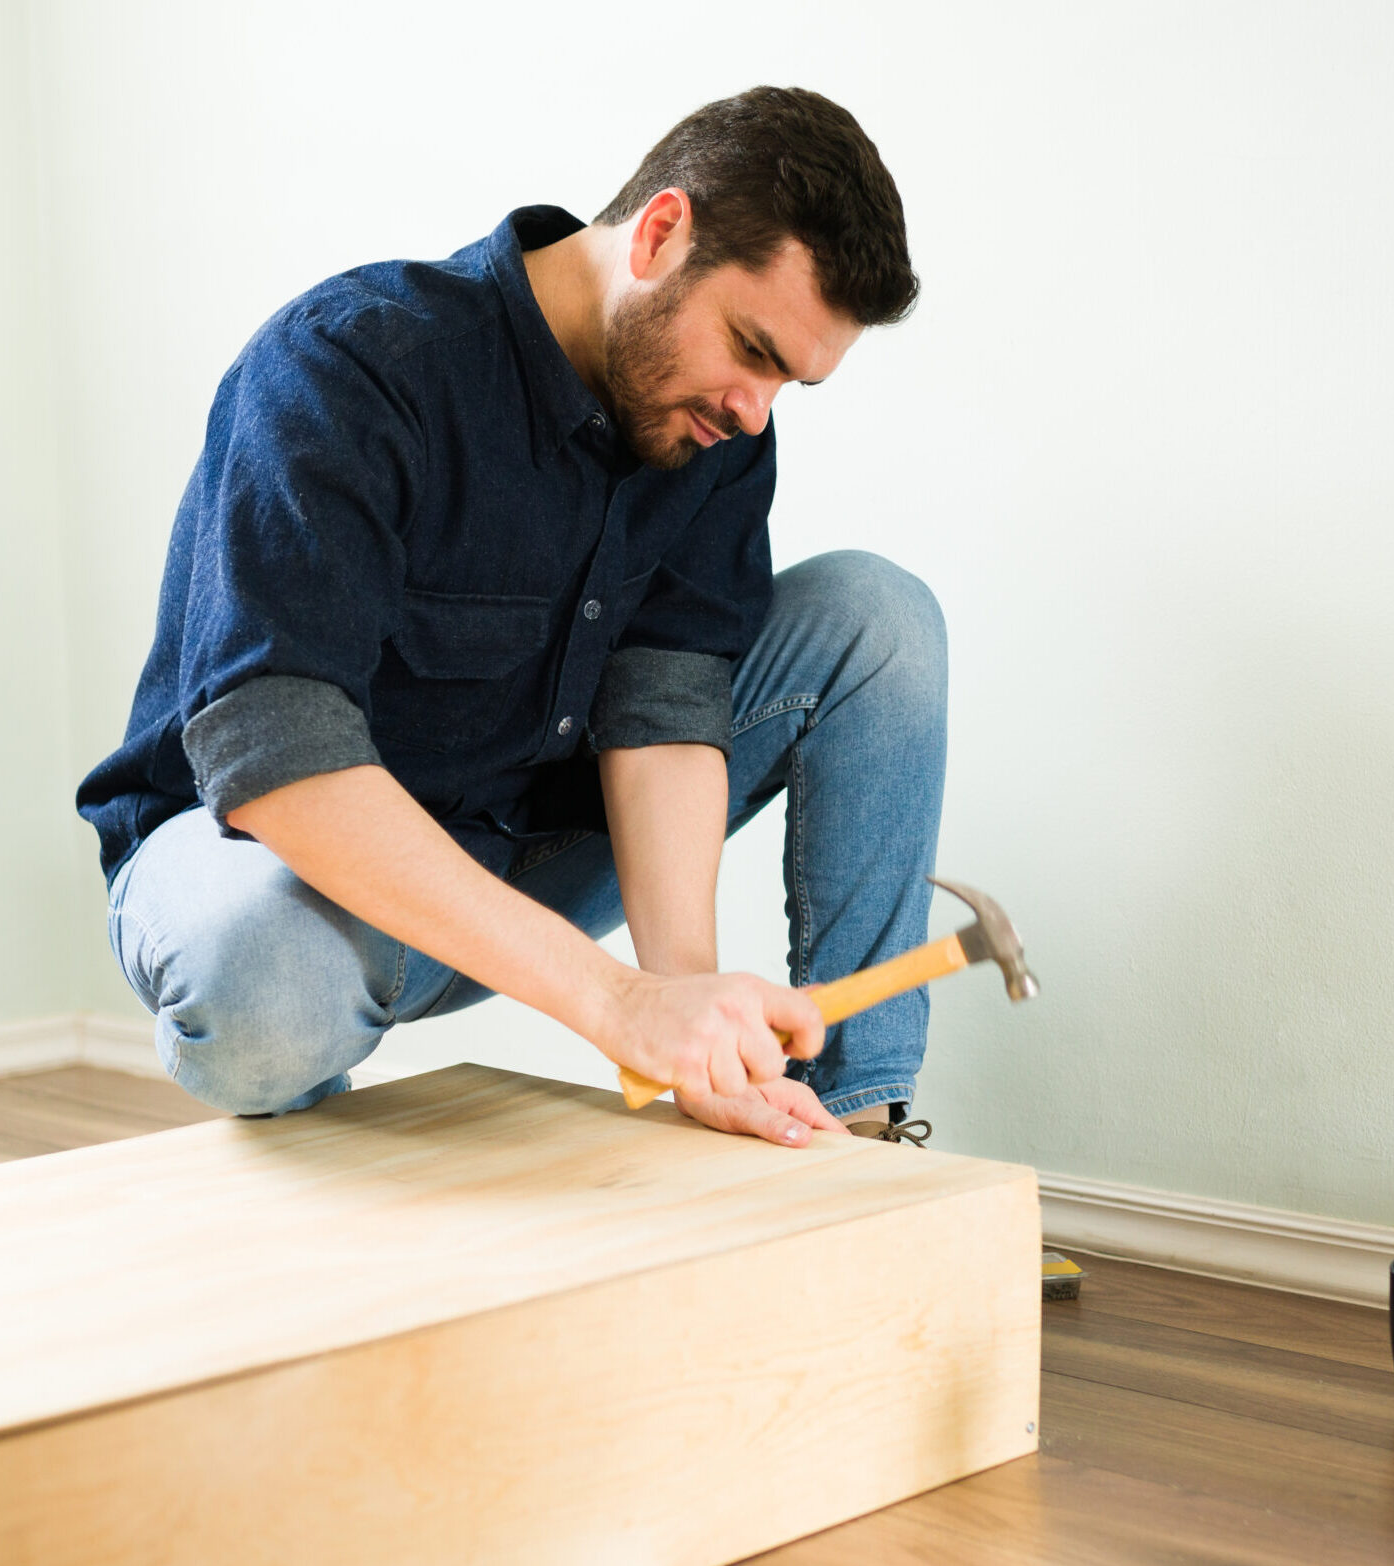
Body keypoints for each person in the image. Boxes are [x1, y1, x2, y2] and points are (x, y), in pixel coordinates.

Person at [77, 86, 946, 1149]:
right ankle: (311, 1172)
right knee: (257, 986)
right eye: (753, 350)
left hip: (527, 846)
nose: (754, 410)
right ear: (661, 234)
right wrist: (616, 1003)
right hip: (277, 864)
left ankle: (849, 1135)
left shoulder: (713, 434)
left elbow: (666, 709)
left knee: (875, 615)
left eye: (790, 384)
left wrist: (686, 1021)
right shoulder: (350, 365)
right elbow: (277, 759)